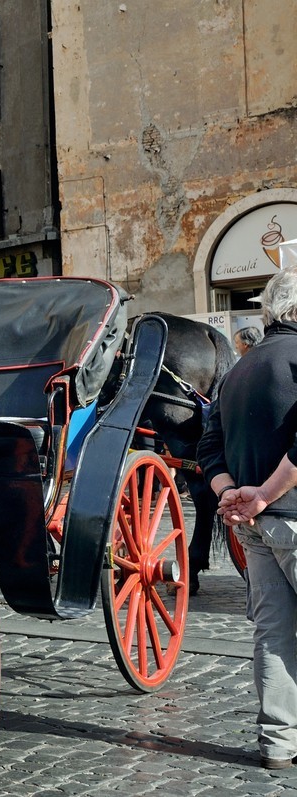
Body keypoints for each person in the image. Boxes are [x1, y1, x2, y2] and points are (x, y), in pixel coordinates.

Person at [197, 265, 297, 770]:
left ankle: (278, 743)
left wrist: (233, 494)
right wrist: (260, 495)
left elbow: (209, 447)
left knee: (273, 633)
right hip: (289, 517)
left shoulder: (238, 369)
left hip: (255, 528)